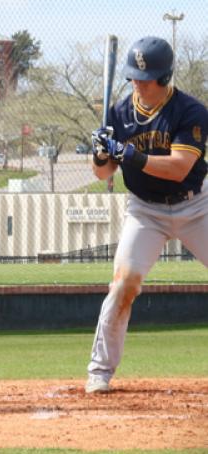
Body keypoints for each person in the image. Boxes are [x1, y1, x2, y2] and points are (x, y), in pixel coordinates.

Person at [86, 36, 208, 394]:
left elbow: (179, 168)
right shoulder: (119, 114)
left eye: (146, 77)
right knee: (124, 283)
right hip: (145, 211)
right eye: (134, 77)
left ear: (164, 77)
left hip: (196, 206)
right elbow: (103, 174)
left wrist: (125, 153)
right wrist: (99, 153)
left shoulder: (190, 111)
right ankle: (99, 372)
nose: (137, 83)